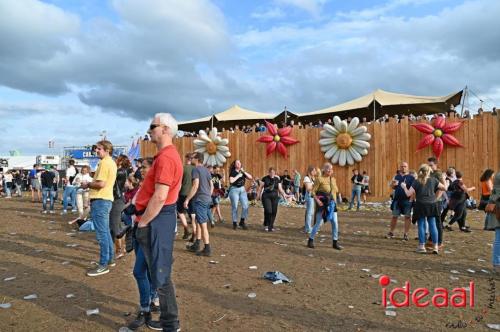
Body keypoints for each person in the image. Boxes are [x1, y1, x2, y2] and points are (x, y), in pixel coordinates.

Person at [134, 113, 182, 332]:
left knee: (161, 274)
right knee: (153, 271)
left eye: (152, 126)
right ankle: (166, 320)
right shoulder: (166, 156)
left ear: (165, 129)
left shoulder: (166, 158)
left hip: (156, 219)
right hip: (158, 217)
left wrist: (143, 222)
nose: (149, 129)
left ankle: (171, 325)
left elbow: (161, 196)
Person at [81, 140, 117, 277]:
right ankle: (110, 259)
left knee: (101, 234)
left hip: (101, 200)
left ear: (107, 150)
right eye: (96, 149)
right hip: (106, 199)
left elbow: (101, 183)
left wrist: (87, 184)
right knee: (105, 232)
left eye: (99, 149)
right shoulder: (111, 162)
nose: (96, 151)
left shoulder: (104, 163)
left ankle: (103, 264)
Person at [401, 164, 447, 254]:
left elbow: (408, 194)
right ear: (429, 171)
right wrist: (444, 180)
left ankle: (422, 246)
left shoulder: (417, 181)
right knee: (433, 225)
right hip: (432, 204)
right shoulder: (434, 180)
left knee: (421, 225)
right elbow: (444, 188)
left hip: (420, 205)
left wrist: (404, 187)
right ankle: (435, 247)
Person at [307, 162, 342, 250]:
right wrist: (317, 200)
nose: (330, 170)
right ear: (324, 169)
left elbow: (336, 191)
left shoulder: (333, 179)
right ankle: (310, 240)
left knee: (335, 223)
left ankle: (335, 242)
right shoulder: (319, 179)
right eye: (328, 168)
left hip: (332, 204)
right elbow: (313, 192)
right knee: (318, 223)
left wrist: (338, 198)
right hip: (322, 205)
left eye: (331, 169)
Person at [185, 152, 214, 256]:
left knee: (203, 225)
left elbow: (195, 186)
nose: (190, 159)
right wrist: (208, 196)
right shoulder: (206, 170)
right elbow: (211, 185)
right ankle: (197, 244)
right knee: (198, 221)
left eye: (192, 158)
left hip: (200, 199)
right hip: (206, 199)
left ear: (197, 159)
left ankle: (207, 248)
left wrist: (187, 199)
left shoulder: (196, 170)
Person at [110, 155, 132, 260]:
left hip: (117, 200)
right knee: (114, 226)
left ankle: (120, 250)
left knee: (116, 227)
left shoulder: (120, 171)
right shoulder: (123, 171)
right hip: (117, 199)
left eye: (116, 159)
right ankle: (118, 249)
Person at [386, 162, 413, 241]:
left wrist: (411, 200)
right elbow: (392, 187)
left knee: (407, 217)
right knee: (394, 216)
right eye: (402, 166)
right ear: (400, 168)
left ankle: (406, 234)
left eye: (405, 166)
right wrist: (393, 185)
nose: (403, 168)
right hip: (397, 200)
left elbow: (413, 189)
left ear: (407, 167)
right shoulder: (396, 176)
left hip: (407, 200)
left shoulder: (411, 178)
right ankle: (391, 232)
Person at [258, 167, 286, 232]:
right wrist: (258, 195)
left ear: (275, 172)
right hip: (266, 196)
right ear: (269, 172)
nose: (272, 173)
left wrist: (284, 194)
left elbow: (280, 188)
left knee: (274, 211)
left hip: (275, 197)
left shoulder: (277, 179)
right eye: (271, 172)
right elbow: (260, 188)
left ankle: (270, 226)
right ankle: (267, 224)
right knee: (268, 211)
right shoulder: (265, 178)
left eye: (273, 172)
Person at [228, 160, 253, 230]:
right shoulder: (233, 172)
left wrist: (243, 172)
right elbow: (231, 181)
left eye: (239, 163)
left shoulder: (242, 172)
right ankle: (234, 223)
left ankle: (242, 222)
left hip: (242, 189)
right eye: (237, 163)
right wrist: (238, 176)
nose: (238, 164)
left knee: (245, 206)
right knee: (235, 207)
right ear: (235, 165)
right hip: (234, 190)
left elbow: (250, 177)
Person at [484, 171, 500, 274]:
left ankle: (497, 263)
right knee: (499, 238)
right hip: (498, 210)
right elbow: (497, 193)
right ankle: (497, 264)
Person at [177, 153, 196, 241]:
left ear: (186, 159)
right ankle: (194, 233)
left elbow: (179, 183)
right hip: (193, 194)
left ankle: (186, 229)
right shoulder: (195, 169)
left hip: (183, 193)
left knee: (180, 212)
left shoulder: (183, 168)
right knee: (192, 215)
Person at [303, 166, 317, 234]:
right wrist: (316, 186)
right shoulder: (306, 178)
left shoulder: (313, 178)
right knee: (309, 213)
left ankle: (308, 227)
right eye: (314, 171)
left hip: (312, 196)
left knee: (311, 213)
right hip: (309, 196)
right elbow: (308, 188)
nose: (315, 172)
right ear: (310, 171)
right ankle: (308, 228)